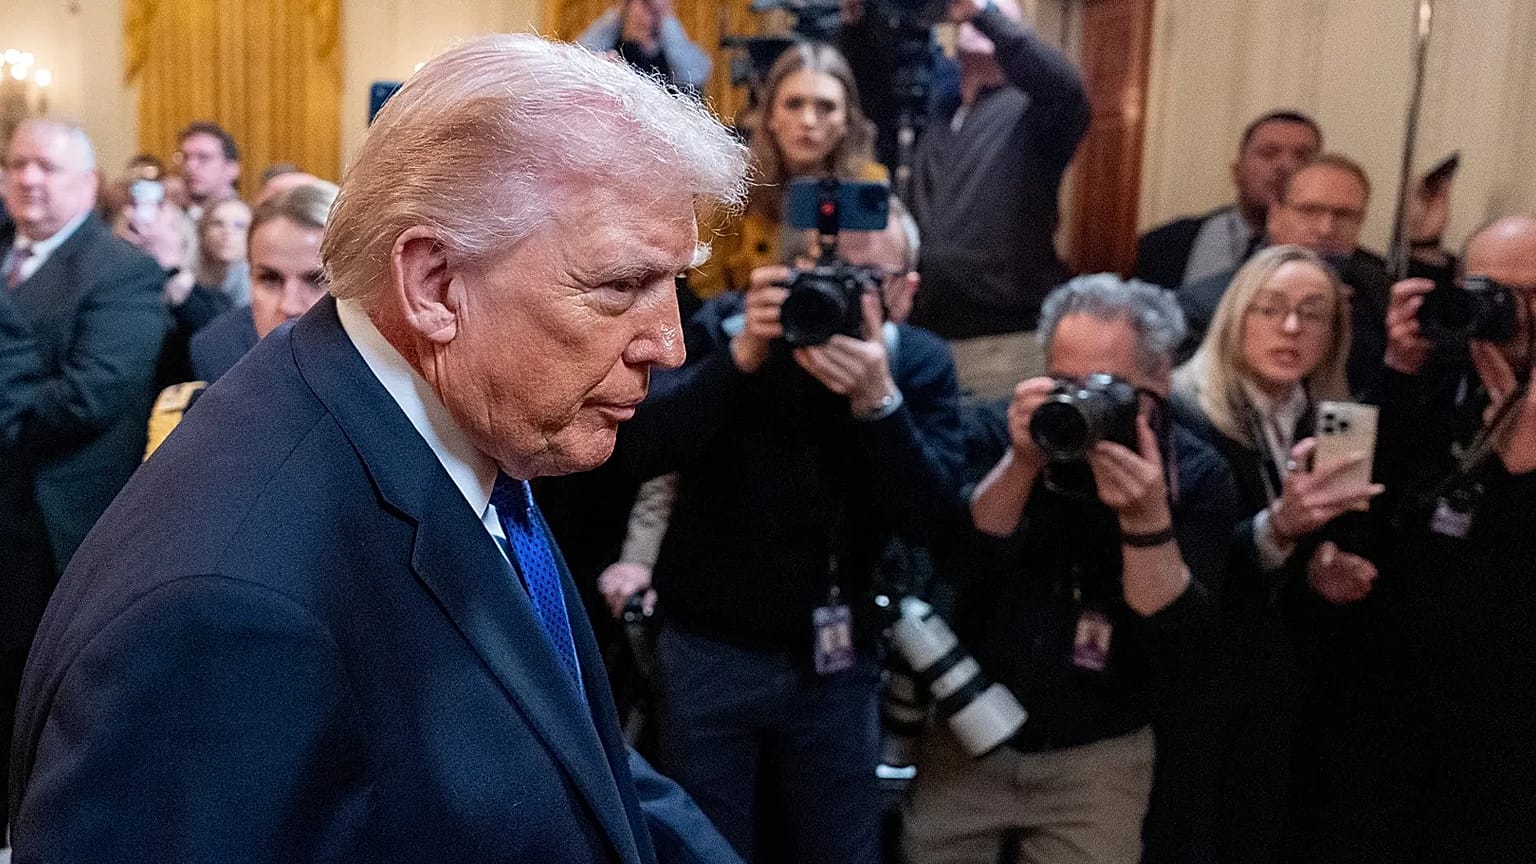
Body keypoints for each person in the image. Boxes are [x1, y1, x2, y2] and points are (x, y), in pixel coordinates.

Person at [9, 34, 749, 864]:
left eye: (674, 285)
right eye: (620, 286)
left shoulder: (450, 424)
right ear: (432, 283)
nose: (670, 345)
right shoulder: (228, 614)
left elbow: (576, 760)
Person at [615, 199, 965, 863]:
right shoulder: (728, 330)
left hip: (837, 660)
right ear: (789, 272)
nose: (836, 296)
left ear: (906, 291)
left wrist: (879, 403)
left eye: (864, 282)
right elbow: (638, 449)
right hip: (709, 650)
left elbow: (930, 519)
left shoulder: (917, 364)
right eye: (823, 274)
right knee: (702, 849)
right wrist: (740, 358)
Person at [903, 275, 1238, 864]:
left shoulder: (1196, 469)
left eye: (1104, 387)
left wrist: (1145, 517)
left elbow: (1177, 633)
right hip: (968, 734)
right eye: (1063, 382)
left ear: (1158, 379)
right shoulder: (999, 429)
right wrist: (1021, 462)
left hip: (1098, 754)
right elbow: (958, 564)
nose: (1079, 404)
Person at [1295, 215, 1536, 862]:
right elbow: (1359, 488)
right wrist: (1399, 368)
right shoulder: (1436, 369)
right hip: (1392, 697)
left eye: (1531, 294)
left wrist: (1525, 469)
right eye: (1492, 290)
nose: (1510, 312)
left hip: (1508, 719)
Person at [1169, 245, 1382, 863]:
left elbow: (1340, 536)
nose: (1291, 328)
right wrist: (1277, 531)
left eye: (1313, 314)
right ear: (1237, 315)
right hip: (1204, 676)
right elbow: (1191, 561)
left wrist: (1329, 565)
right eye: (1272, 309)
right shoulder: (1186, 413)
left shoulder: (1333, 419)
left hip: (1292, 678)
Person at [0, 118, 166, 837]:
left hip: (52, 522)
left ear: (87, 184)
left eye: (46, 167)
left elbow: (93, 392)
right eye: (16, 165)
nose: (28, 180)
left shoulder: (120, 269)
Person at [906, 0, 1090, 399]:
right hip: (925, 334)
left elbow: (1067, 88)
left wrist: (980, 13)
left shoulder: (1036, 113)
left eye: (995, 7)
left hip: (1003, 341)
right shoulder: (941, 111)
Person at [1177, 153, 1458, 394]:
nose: (1326, 228)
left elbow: (1432, 377)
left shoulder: (1376, 289)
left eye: (1345, 215)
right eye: (1310, 211)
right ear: (1275, 216)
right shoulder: (1205, 303)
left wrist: (1424, 246)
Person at [689, 41, 884, 299]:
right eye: (793, 104)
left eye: (826, 106)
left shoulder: (868, 188)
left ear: (846, 120)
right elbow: (704, 293)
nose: (808, 121)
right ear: (770, 116)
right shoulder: (732, 191)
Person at [1134, 111, 1323, 290]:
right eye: (1268, 153)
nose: (1285, 166)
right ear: (1236, 171)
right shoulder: (1164, 244)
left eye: (1302, 156)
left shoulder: (1338, 254)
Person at [577, 0, 711, 92]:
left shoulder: (670, 47)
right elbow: (578, 59)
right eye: (644, 4)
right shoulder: (610, 39)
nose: (646, 17)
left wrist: (666, 17)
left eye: (653, 10)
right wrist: (620, 12)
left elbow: (695, 76)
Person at [175, 120, 241, 221]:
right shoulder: (172, 222)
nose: (190, 166)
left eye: (204, 157)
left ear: (231, 168)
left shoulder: (249, 225)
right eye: (185, 157)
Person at [195, 197, 252, 307]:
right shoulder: (188, 281)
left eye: (239, 226)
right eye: (218, 224)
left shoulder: (255, 288)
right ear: (203, 231)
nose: (227, 232)